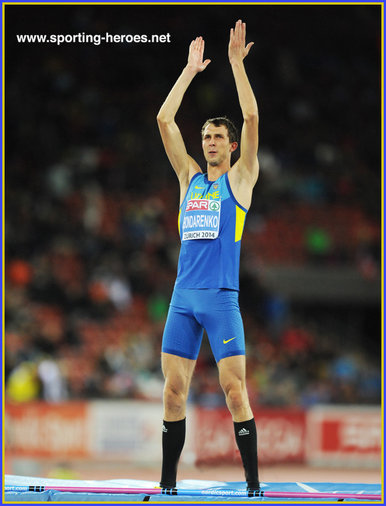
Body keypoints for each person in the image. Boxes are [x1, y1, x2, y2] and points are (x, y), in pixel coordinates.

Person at [156, 20, 260, 492]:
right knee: (172, 393)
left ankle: (255, 486)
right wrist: (189, 71)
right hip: (183, 298)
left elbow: (253, 119)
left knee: (235, 393)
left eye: (218, 137)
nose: (210, 142)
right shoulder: (189, 178)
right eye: (206, 137)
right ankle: (167, 486)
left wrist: (236, 65)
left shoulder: (239, 181)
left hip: (220, 299)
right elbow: (163, 120)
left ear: (231, 146)